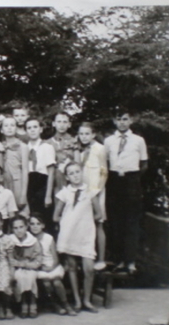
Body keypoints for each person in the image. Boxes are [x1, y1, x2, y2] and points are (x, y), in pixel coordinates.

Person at [53, 162, 103, 313]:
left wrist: (85, 221)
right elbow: (56, 216)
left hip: (85, 234)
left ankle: (87, 300)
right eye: (71, 173)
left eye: (77, 172)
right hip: (69, 234)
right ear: (67, 177)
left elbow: (99, 213)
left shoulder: (90, 191)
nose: (75, 175)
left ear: (82, 173)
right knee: (72, 268)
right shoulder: (64, 193)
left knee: (89, 269)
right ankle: (77, 300)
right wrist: (68, 222)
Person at [103, 109, 148, 274]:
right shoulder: (108, 141)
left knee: (132, 222)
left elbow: (144, 164)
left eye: (125, 119)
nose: (122, 122)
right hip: (114, 182)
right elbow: (105, 162)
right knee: (116, 222)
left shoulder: (138, 140)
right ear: (114, 121)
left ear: (131, 120)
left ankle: (131, 261)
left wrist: (132, 178)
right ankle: (119, 260)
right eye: (118, 119)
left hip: (131, 182)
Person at [76, 122, 108, 271]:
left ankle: (101, 259)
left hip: (96, 191)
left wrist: (98, 190)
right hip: (82, 190)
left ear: (93, 134)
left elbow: (104, 171)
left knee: (98, 223)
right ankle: (83, 258)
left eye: (87, 134)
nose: (84, 137)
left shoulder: (100, 149)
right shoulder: (78, 149)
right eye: (81, 134)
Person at [29, 213, 75, 316]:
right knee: (46, 284)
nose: (35, 226)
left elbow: (56, 258)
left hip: (52, 265)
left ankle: (65, 304)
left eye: (38, 223)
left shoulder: (48, 238)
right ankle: (55, 304)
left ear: (43, 225)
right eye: (32, 224)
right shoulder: (29, 239)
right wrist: (41, 267)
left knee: (57, 283)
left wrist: (51, 268)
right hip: (39, 267)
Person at [10, 215, 42, 319]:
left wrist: (27, 264)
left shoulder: (33, 241)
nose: (19, 230)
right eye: (16, 228)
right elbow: (10, 259)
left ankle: (33, 303)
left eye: (21, 227)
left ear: (26, 227)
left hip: (31, 266)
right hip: (17, 268)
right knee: (19, 277)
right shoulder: (10, 241)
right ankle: (23, 303)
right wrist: (18, 264)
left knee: (31, 277)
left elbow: (38, 259)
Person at [25, 117, 56, 218]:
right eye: (29, 128)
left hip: (43, 184)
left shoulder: (47, 147)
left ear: (41, 129)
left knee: (44, 217)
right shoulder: (24, 148)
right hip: (29, 184)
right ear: (26, 131)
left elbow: (51, 172)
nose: (32, 130)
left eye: (35, 127)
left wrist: (48, 195)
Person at [0, 115, 30, 213]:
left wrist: (23, 194)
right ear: (1, 130)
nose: (9, 128)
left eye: (12, 125)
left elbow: (25, 170)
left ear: (16, 128)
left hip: (18, 182)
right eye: (6, 125)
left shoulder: (22, 146)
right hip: (3, 182)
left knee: (20, 211)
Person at [47, 112, 79, 194]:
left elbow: (78, 162)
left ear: (69, 124)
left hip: (70, 179)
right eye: (59, 122)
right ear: (54, 124)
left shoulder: (74, 141)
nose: (62, 125)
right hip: (53, 180)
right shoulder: (48, 142)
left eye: (65, 122)